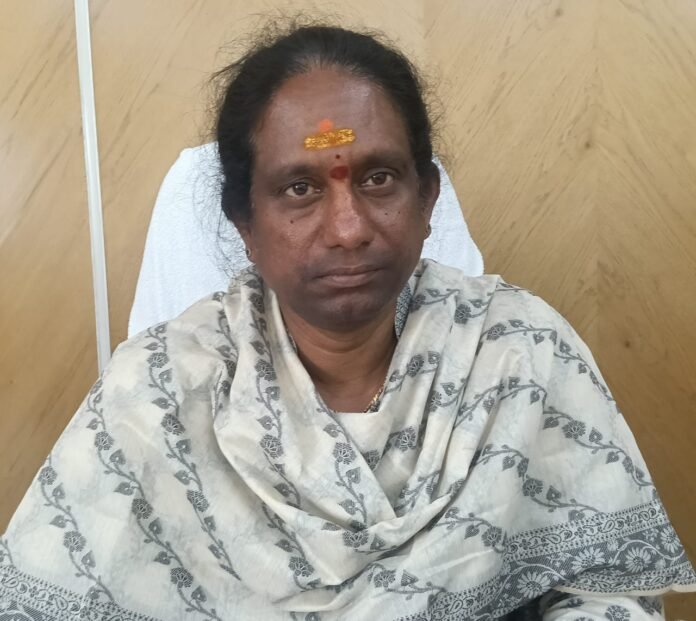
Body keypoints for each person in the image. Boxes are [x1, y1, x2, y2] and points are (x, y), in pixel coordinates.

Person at [1, 22, 694, 621]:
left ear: (426, 198)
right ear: (245, 222)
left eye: (378, 178)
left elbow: (611, 595)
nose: (348, 227)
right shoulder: (158, 392)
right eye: (299, 188)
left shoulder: (520, 353)